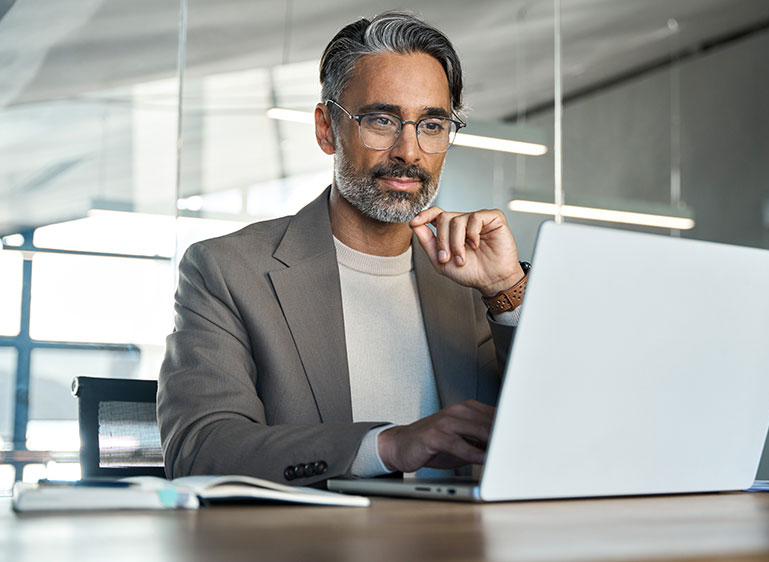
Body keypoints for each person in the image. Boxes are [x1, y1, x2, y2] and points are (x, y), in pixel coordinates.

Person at [156, 11, 529, 486]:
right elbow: (200, 448)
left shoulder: (476, 281)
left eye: (431, 126)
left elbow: (570, 425)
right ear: (326, 129)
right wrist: (389, 445)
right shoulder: (227, 271)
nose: (409, 151)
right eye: (381, 120)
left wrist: (506, 291)